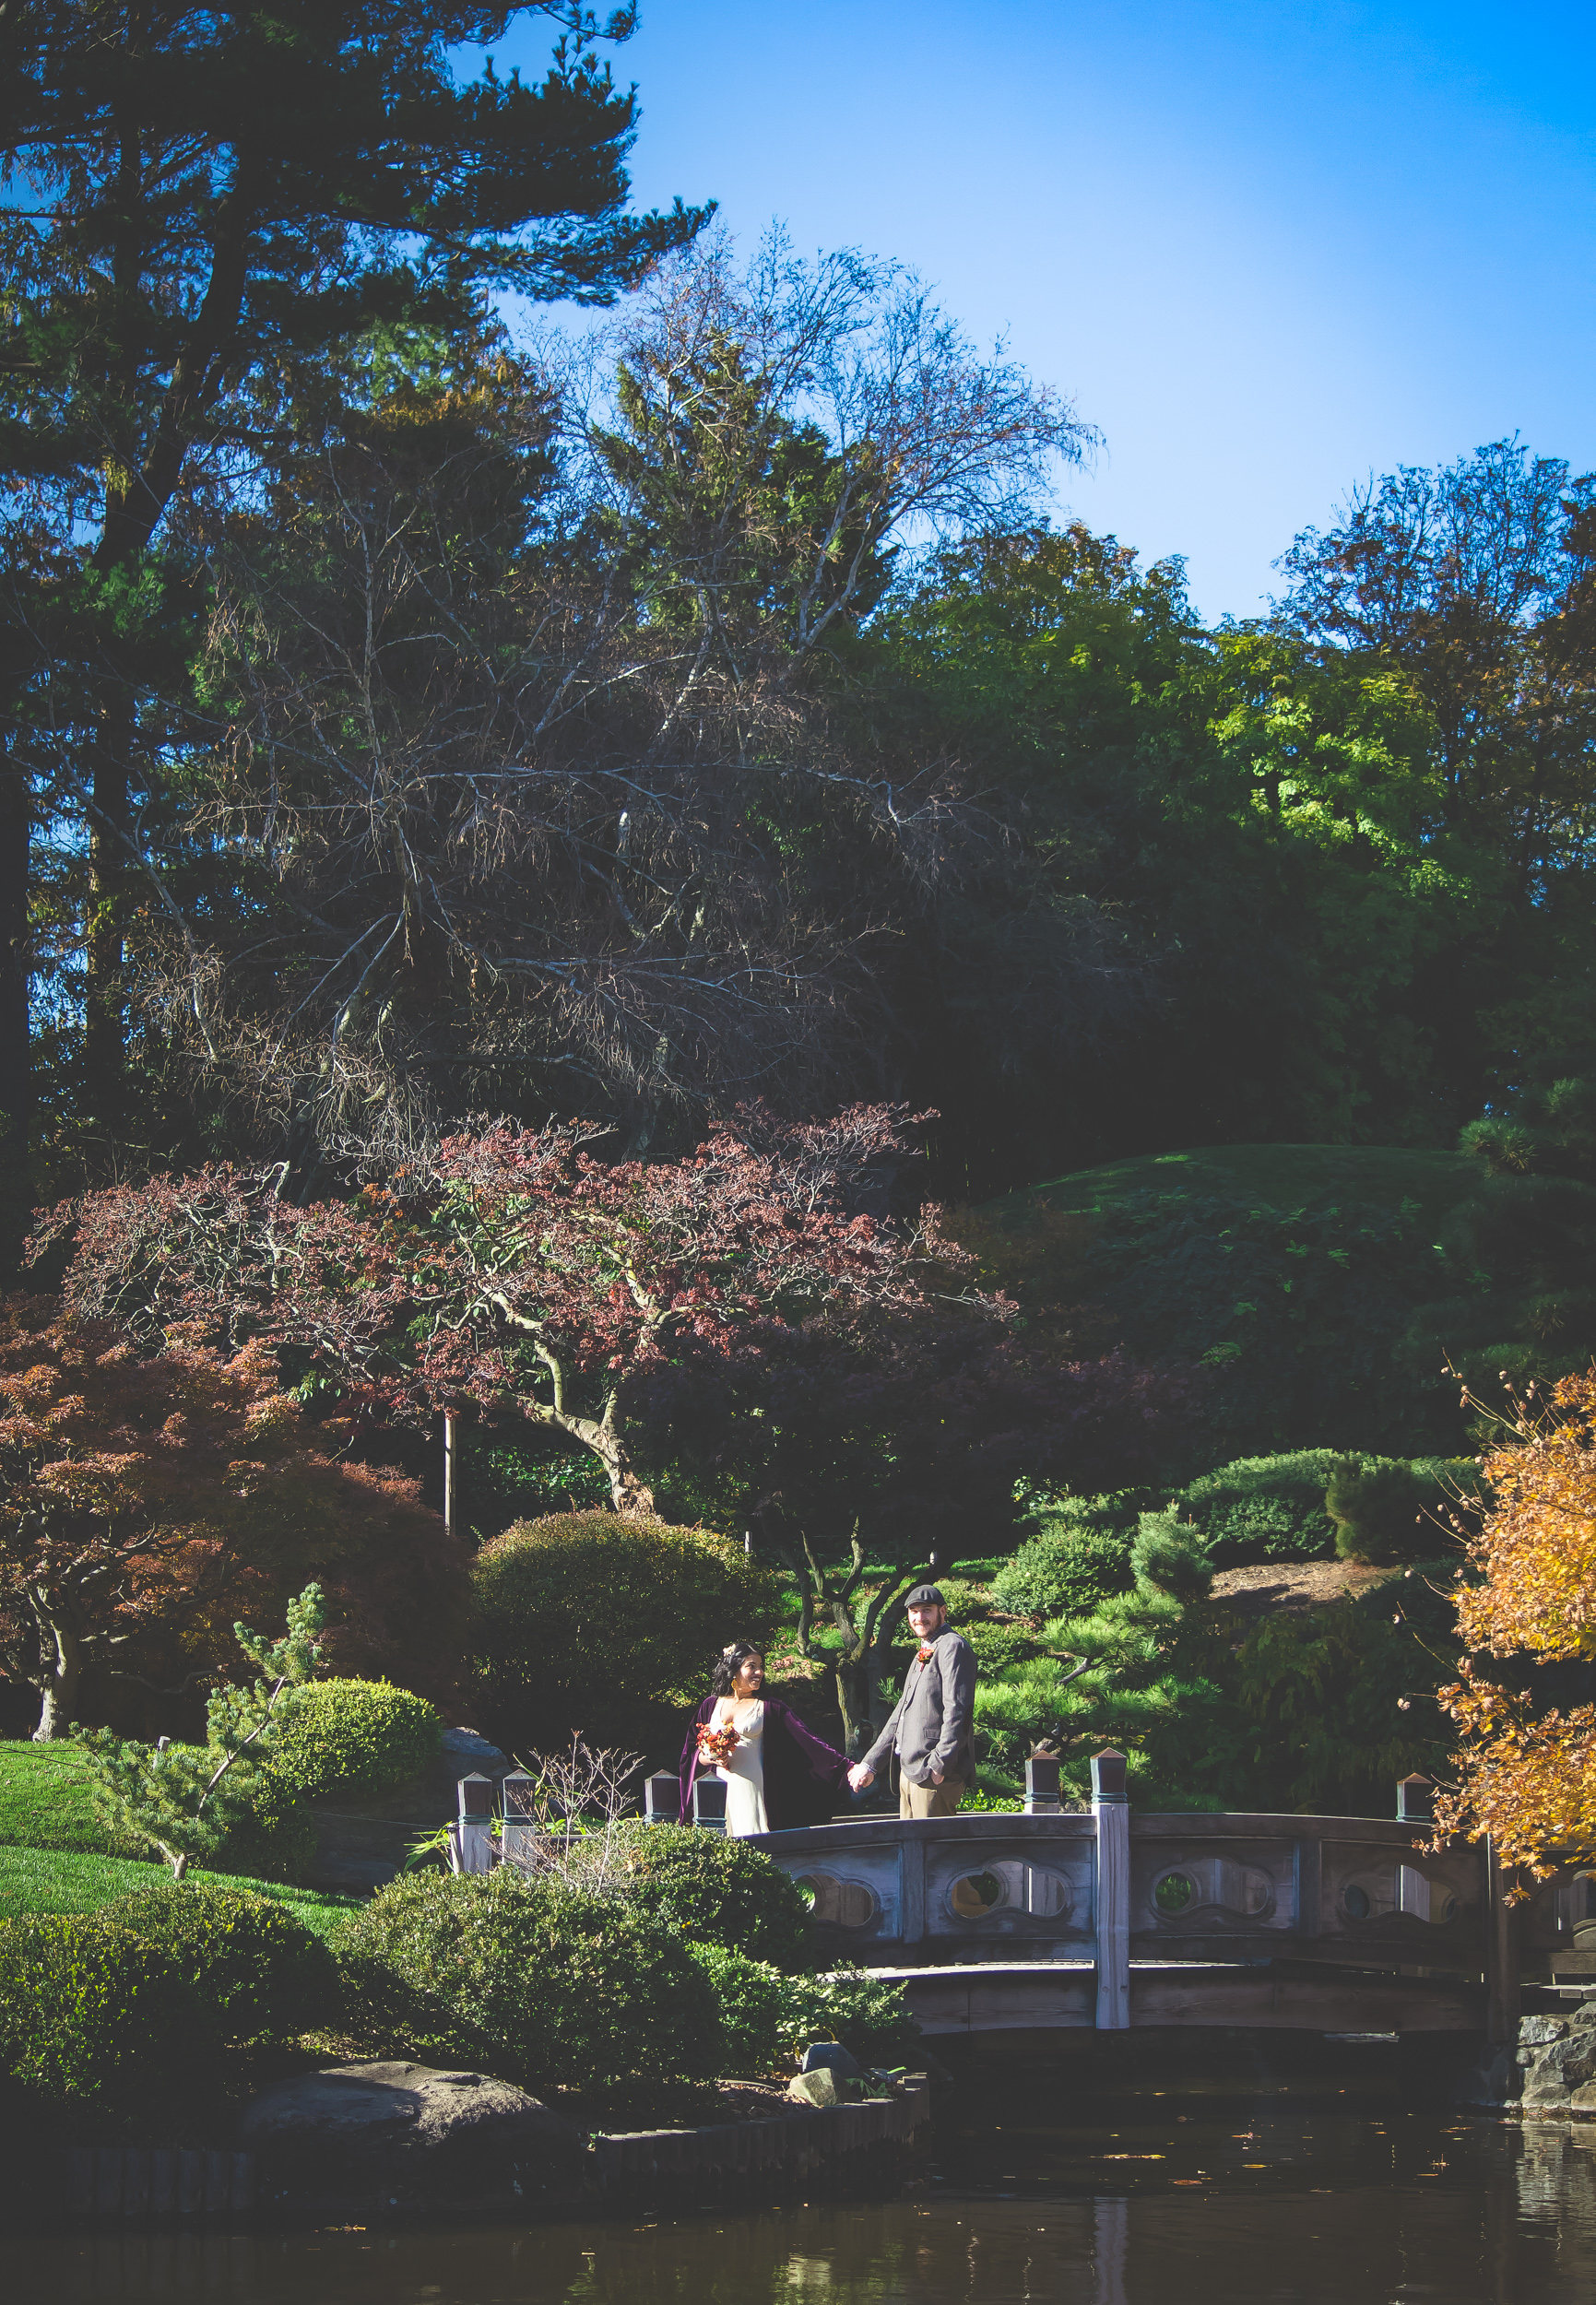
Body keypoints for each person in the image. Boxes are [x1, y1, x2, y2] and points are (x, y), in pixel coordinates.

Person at [679, 1642, 852, 1834]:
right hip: (717, 1791)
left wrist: (848, 1767)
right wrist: (711, 1756)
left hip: (752, 1787)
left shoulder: (770, 1708)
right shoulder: (710, 1705)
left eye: (761, 1667)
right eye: (751, 1666)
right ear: (734, 1669)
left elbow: (809, 1742)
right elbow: (692, 1751)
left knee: (752, 1838)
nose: (759, 1672)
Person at [847, 1584, 976, 1817]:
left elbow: (958, 1709)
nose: (919, 1618)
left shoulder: (952, 1645)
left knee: (933, 1850)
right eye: (913, 1611)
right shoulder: (924, 1651)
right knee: (913, 1849)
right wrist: (871, 1764)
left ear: (943, 1611)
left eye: (926, 1610)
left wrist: (940, 1764)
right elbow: (901, 1713)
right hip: (909, 1771)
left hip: (933, 1773)